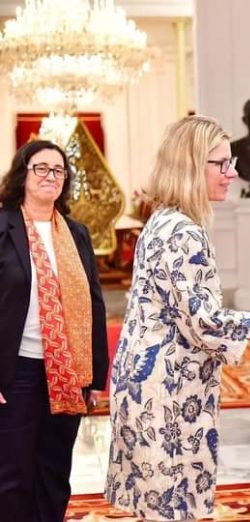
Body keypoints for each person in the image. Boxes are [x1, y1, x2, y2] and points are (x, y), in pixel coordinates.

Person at [105, 115, 250, 521]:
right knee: (172, 507)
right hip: (167, 394)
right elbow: (204, 324)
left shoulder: (162, 220)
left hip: (147, 384)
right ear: (191, 166)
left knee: (155, 506)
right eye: (222, 164)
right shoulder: (183, 232)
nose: (232, 173)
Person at [0, 140, 109, 522]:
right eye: (41, 168)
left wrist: (96, 374)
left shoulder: (76, 233)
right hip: (18, 372)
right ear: (23, 174)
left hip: (68, 372)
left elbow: (95, 303)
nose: (51, 176)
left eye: (59, 170)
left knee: (54, 471)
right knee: (12, 473)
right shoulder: (3, 226)